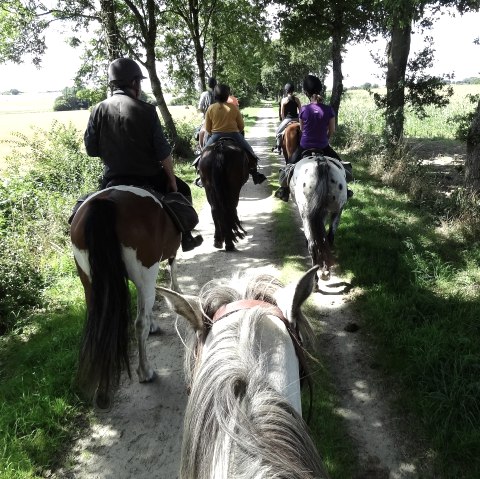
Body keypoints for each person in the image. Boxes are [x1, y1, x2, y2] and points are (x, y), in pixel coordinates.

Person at [83, 57, 203, 252]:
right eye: (139, 82)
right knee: (183, 190)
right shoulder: (147, 110)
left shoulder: (97, 110)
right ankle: (187, 238)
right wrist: (171, 180)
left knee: (85, 207)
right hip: (148, 177)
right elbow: (163, 151)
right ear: (134, 83)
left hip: (112, 178)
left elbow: (91, 149)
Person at [275, 74, 353, 202]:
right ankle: (346, 189)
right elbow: (332, 130)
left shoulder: (304, 110)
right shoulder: (328, 110)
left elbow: (302, 129)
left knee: (288, 167)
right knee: (342, 166)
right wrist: (325, 139)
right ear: (320, 90)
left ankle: (283, 189)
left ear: (306, 92)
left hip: (305, 145)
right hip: (323, 145)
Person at [203, 83, 266, 184]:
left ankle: (201, 174)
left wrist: (214, 131)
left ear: (215, 95)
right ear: (228, 95)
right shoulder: (234, 108)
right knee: (250, 152)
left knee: (204, 153)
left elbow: (208, 128)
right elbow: (241, 126)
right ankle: (255, 173)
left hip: (216, 135)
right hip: (234, 135)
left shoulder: (210, 108)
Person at [273, 83, 301, 153]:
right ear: (293, 90)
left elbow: (282, 113)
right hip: (297, 118)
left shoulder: (284, 100)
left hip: (287, 120)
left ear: (286, 91)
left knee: (278, 132)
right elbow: (301, 112)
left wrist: (283, 121)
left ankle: (278, 147)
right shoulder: (297, 99)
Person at [197, 77, 217, 148]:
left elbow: (200, 108)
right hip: (220, 117)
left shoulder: (204, 94)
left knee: (201, 132)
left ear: (208, 84)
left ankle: (201, 149)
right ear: (216, 84)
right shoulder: (219, 93)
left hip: (207, 119)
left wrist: (204, 113)